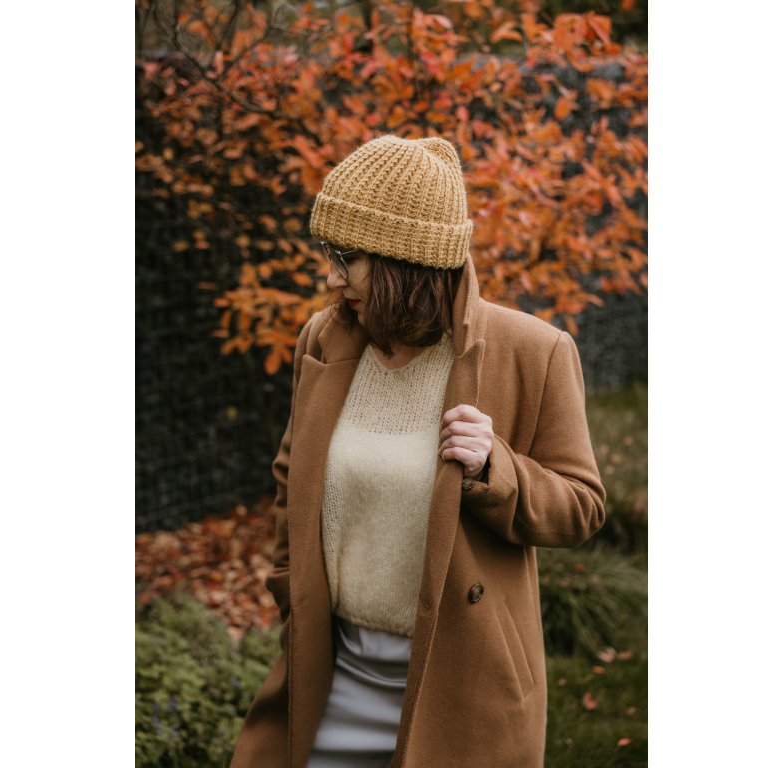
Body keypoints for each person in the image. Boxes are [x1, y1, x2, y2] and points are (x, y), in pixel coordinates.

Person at [231, 134, 606, 768]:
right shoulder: (325, 338)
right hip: (335, 668)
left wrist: (494, 467)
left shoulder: (533, 351)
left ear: (406, 259)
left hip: (457, 679)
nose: (331, 277)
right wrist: (294, 594)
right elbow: (291, 479)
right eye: (329, 254)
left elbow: (583, 506)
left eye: (347, 258)